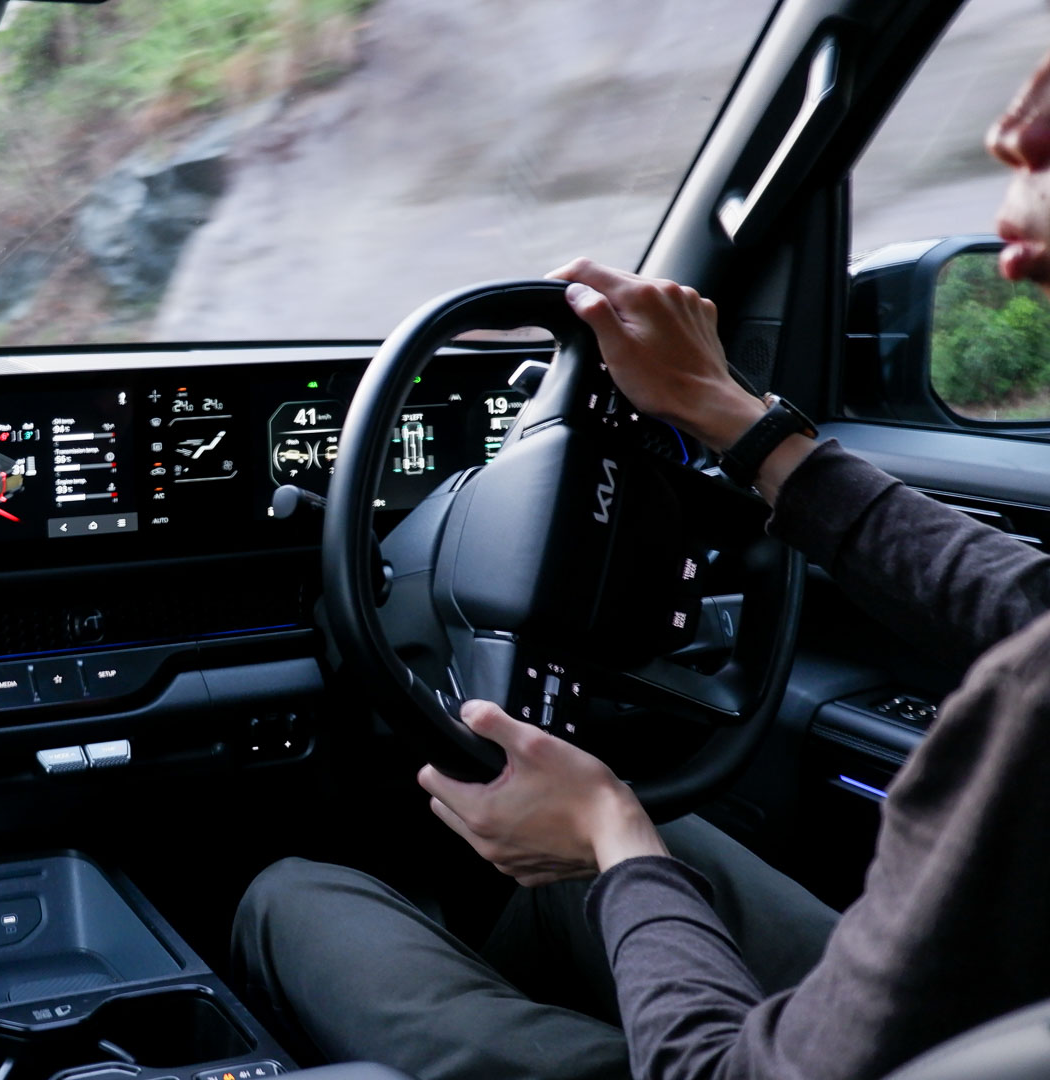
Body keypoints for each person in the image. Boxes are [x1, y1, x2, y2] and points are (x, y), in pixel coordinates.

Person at [233, 46, 1050, 1080]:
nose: (1010, 129)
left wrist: (615, 833)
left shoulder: (1029, 711)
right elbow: (1027, 601)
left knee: (293, 893)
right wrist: (741, 424)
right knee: (636, 846)